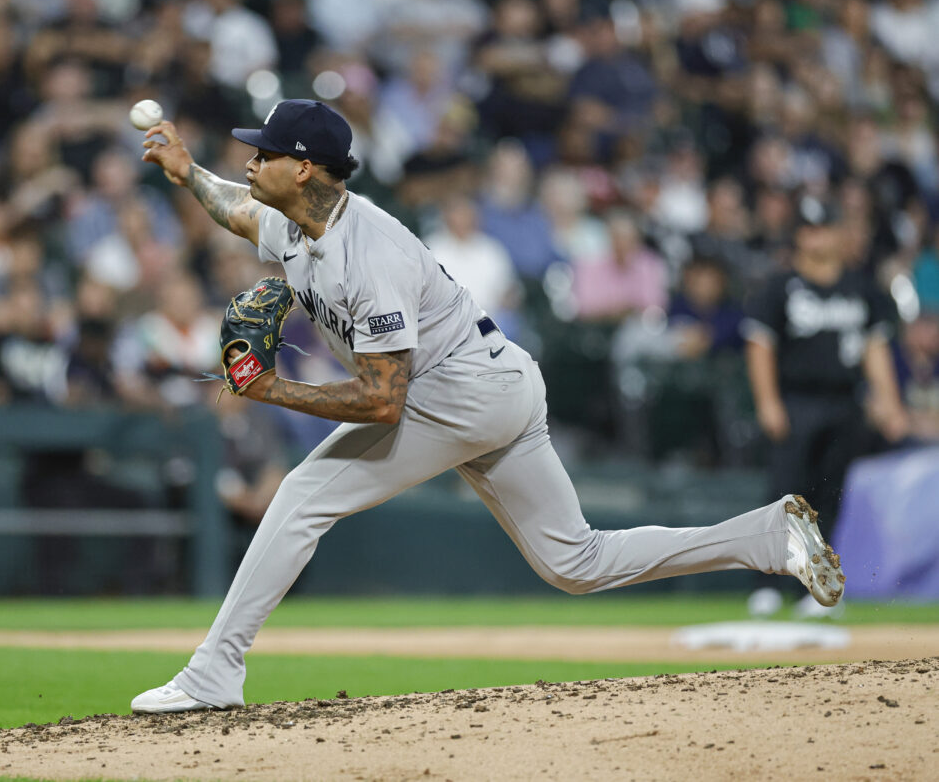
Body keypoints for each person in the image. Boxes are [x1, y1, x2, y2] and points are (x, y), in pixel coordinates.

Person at [124, 99, 842, 713]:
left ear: (305, 168)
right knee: (576, 561)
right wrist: (188, 172)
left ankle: (216, 670)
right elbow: (237, 209)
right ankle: (766, 537)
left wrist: (271, 389)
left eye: (266, 153)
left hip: (458, 392)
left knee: (302, 495)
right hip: (498, 384)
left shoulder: (368, 253)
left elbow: (382, 401)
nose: (251, 162)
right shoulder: (292, 220)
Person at [743, 196, 909, 616]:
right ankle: (766, 584)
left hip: (844, 404)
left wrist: (889, 402)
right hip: (796, 400)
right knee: (783, 496)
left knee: (829, 497)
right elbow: (760, 345)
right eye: (808, 229)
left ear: (839, 233)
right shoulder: (781, 287)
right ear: (798, 236)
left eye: (824, 228)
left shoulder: (860, 288)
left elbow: (875, 349)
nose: (816, 237)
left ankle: (815, 589)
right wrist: (768, 401)